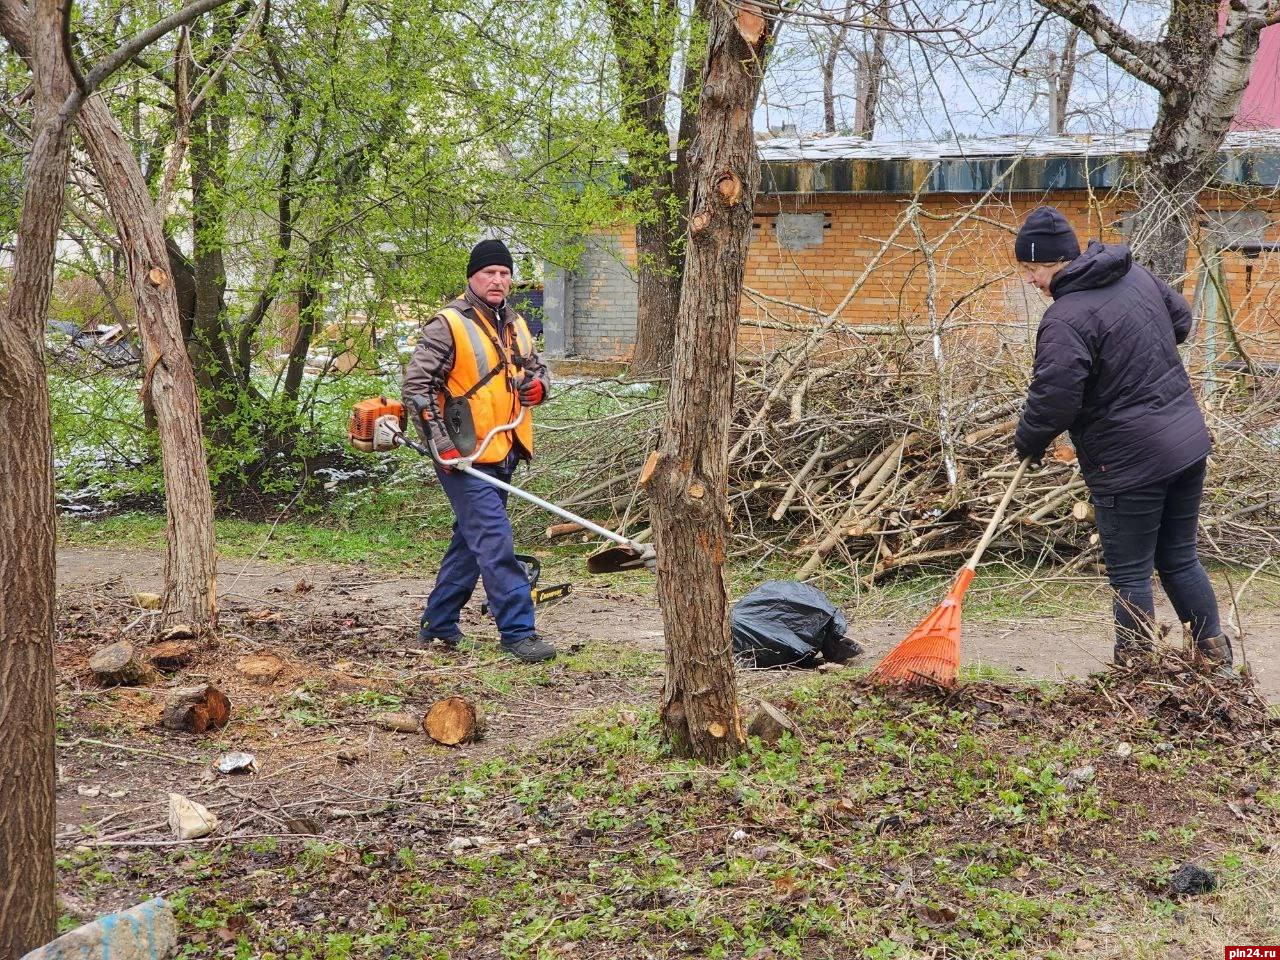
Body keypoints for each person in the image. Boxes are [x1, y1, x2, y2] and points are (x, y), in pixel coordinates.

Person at [1011, 206, 1233, 672]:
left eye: (1035, 269)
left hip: (1130, 461)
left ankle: (1135, 673)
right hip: (1187, 442)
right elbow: (1181, 320)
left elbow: (1054, 399)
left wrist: (1029, 441)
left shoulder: (1065, 319)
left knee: (1131, 571)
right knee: (1178, 558)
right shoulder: (1134, 276)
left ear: (1059, 261)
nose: (1031, 280)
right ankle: (1218, 659)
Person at [402, 239, 555, 663]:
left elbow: (537, 369)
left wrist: (539, 388)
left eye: (504, 273)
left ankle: (439, 624)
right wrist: (442, 446)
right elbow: (417, 389)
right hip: (464, 455)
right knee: (494, 541)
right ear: (472, 277)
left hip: (504, 447)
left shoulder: (516, 322)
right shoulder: (447, 324)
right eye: (490, 272)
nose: (498, 280)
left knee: (471, 543)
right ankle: (518, 632)